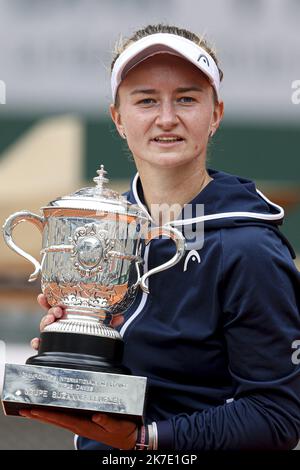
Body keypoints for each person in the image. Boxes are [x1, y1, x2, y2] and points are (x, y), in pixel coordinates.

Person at [21, 23, 300, 450]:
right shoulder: (105, 233)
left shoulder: (250, 250)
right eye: (146, 100)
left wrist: (144, 441)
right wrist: (77, 341)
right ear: (118, 117)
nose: (166, 118)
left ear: (216, 115)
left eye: (186, 99)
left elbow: (277, 417)